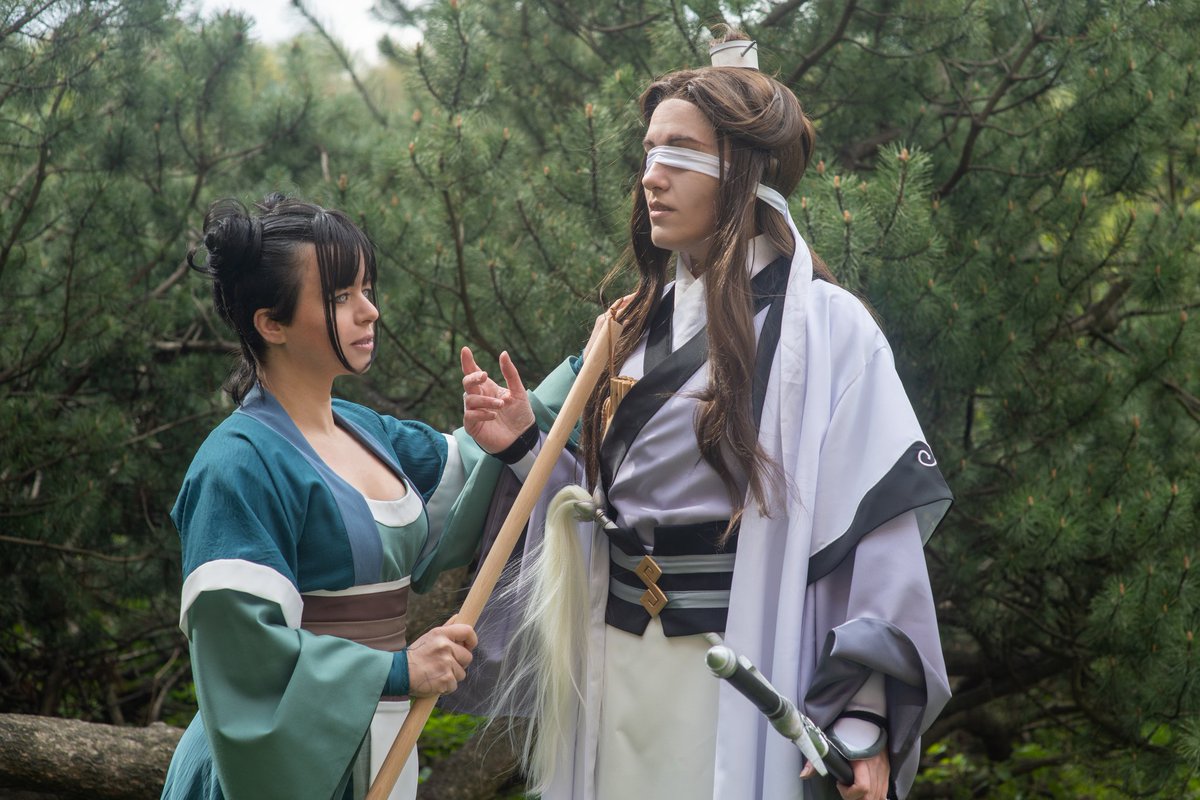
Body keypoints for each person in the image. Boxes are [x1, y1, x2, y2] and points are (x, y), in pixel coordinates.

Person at [460, 31, 954, 800]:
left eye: (681, 152)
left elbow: (876, 544)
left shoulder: (829, 333)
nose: (651, 177)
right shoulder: (626, 327)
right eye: (648, 152)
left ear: (746, 170)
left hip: (738, 665)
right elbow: (605, 519)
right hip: (615, 664)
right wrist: (525, 442)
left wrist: (865, 718)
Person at [161, 194, 540, 800]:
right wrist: (395, 669)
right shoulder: (235, 467)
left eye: (367, 289)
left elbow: (477, 478)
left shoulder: (368, 431)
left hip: (385, 740)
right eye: (341, 297)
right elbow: (244, 663)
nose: (370, 311)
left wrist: (539, 412)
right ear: (271, 323)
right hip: (281, 766)